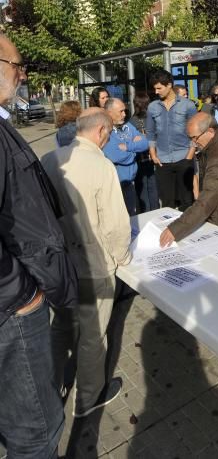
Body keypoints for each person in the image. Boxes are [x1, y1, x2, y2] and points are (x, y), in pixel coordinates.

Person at [0, 33, 77, 456]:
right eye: (17, 65)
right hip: (12, 312)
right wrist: (25, 294)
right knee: (37, 435)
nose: (22, 75)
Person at [42, 108, 131, 418]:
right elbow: (116, 226)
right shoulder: (102, 166)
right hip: (94, 265)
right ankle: (88, 399)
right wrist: (123, 257)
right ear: (102, 132)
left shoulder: (50, 159)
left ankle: (50, 387)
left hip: (60, 265)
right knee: (94, 335)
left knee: (62, 327)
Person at [159, 112, 218, 245]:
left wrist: (176, 229)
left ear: (210, 131)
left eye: (195, 138)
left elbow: (210, 196)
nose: (193, 143)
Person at [145, 70, 197, 210]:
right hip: (162, 161)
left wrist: (189, 156)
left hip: (184, 157)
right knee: (167, 204)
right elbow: (150, 133)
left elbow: (196, 133)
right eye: (154, 88)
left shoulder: (188, 105)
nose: (156, 92)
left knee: (187, 201)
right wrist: (153, 155)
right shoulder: (152, 107)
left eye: (159, 88)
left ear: (169, 85)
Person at [103, 97, 149, 216]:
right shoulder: (105, 131)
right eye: (121, 111)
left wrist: (127, 146)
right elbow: (117, 156)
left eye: (125, 111)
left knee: (132, 216)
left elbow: (145, 143)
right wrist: (135, 148)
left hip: (129, 182)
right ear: (109, 113)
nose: (124, 114)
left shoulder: (128, 126)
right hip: (116, 185)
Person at [129, 93, 160, 213]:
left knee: (141, 187)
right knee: (153, 186)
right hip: (153, 156)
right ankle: (156, 211)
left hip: (139, 158)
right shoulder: (152, 118)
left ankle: (146, 212)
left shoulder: (131, 122)